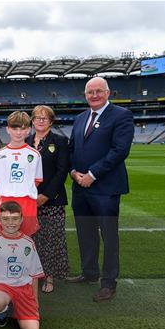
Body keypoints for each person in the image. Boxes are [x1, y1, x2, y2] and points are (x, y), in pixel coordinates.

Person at [68, 77, 134, 302]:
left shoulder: (121, 115)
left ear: (108, 93)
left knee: (109, 237)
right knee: (85, 233)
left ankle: (108, 283)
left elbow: (119, 150)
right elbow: (72, 149)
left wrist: (93, 174)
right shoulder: (80, 118)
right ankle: (89, 273)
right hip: (80, 187)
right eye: (89, 92)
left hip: (105, 188)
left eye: (98, 91)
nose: (94, 95)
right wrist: (74, 171)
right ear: (85, 95)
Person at [0, 201, 44, 329]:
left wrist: (35, 299)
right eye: (6, 219)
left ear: (21, 220)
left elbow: (34, 274)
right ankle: (2, 311)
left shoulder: (28, 243)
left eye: (15, 218)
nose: (11, 223)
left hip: (23, 288)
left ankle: (16, 308)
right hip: (1, 287)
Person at [25, 105, 70, 293]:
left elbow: (62, 172)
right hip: (28, 198)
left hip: (52, 199)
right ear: (32, 121)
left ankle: (49, 277)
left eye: (44, 118)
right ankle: (31, 274)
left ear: (51, 121)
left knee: (51, 239)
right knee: (31, 238)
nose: (40, 120)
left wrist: (46, 195)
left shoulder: (59, 141)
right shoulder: (26, 140)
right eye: (37, 117)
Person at [0, 111, 43, 237]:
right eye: (15, 128)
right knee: (5, 240)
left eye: (23, 128)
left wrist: (22, 190)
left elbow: (37, 180)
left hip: (27, 202)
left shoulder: (34, 155)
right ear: (8, 130)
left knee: (26, 239)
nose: (19, 132)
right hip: (5, 201)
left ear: (29, 130)